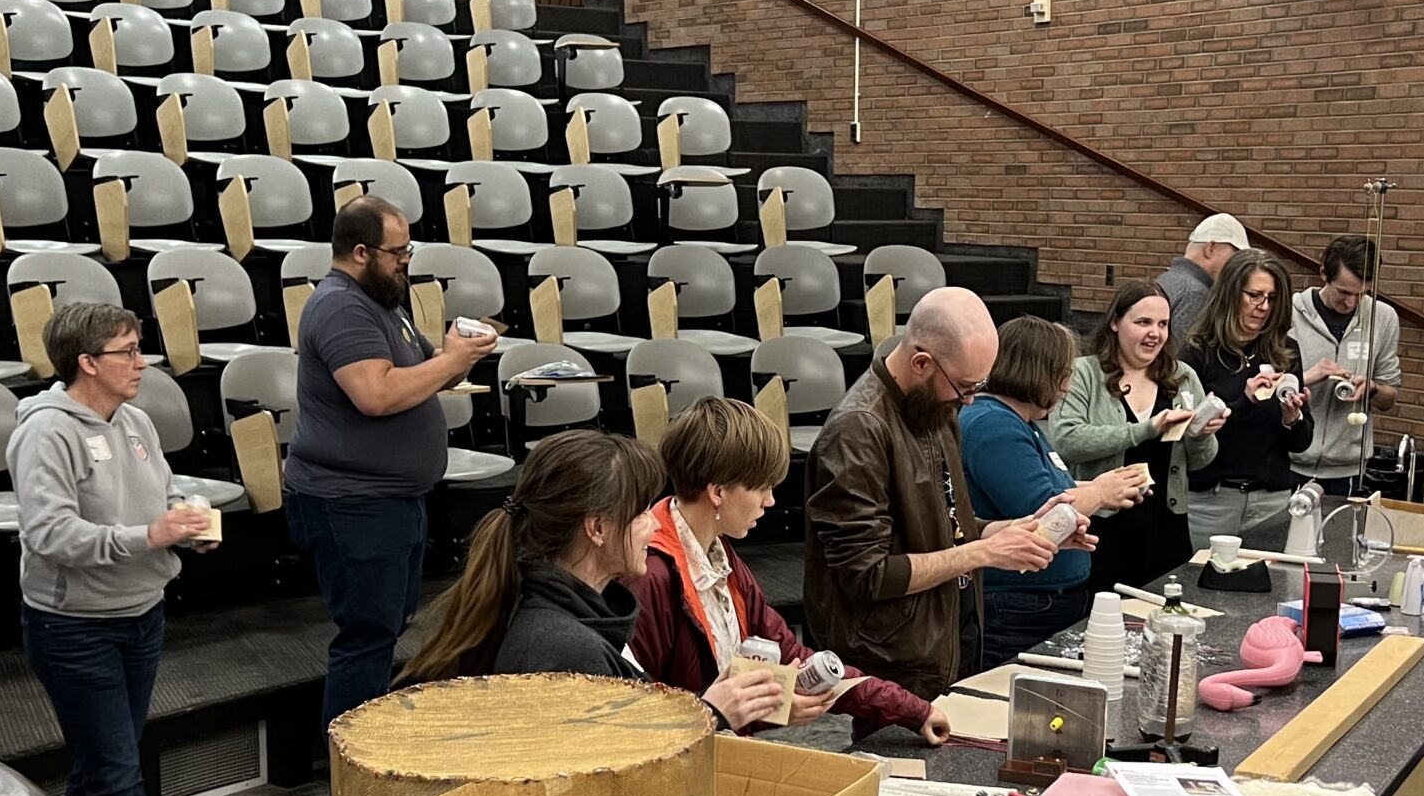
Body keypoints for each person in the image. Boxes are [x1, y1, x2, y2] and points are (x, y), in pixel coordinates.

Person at [9, 300, 216, 796]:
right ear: (87, 362)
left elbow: (159, 499)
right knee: (116, 773)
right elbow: (48, 534)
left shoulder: (136, 422)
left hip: (140, 614)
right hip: (74, 628)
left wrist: (185, 526)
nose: (142, 362)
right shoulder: (46, 432)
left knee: (102, 769)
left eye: (139, 347)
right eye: (127, 351)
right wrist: (146, 536)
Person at [395, 428, 787, 730]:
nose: (654, 524)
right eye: (639, 514)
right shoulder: (562, 647)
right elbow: (616, 775)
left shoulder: (565, 622)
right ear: (598, 528)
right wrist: (711, 712)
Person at [285, 193, 496, 725]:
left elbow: (428, 372)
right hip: (353, 502)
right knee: (367, 636)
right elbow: (375, 395)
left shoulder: (383, 299)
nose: (407, 261)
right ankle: (352, 776)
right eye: (397, 252)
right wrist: (449, 360)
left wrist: (459, 352)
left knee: (386, 628)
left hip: (393, 499)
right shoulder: (339, 306)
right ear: (361, 252)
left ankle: (368, 752)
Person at [631, 398, 950, 744]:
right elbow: (645, 723)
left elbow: (788, 654)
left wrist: (914, 711)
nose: (770, 501)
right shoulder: (650, 577)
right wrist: (771, 708)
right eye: (761, 487)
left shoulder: (720, 556)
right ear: (718, 492)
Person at [804, 287, 1064, 698]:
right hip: (888, 658)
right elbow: (866, 575)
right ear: (922, 362)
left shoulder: (934, 403)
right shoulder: (857, 431)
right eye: (965, 386)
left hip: (944, 635)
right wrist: (981, 554)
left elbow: (948, 525)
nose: (971, 398)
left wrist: (1017, 530)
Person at [960, 315, 1138, 666]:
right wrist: (1100, 493)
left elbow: (1053, 486)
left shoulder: (1016, 420)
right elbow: (1047, 513)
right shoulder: (992, 426)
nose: (1066, 387)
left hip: (1037, 603)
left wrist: (1110, 486)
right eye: (1063, 375)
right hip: (1016, 607)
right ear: (1037, 371)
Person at [1051, 279, 1225, 592]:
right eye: (1143, 322)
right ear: (1116, 323)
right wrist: (1147, 428)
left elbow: (1200, 462)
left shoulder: (1183, 377)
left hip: (1167, 528)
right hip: (1102, 529)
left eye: (1163, 324)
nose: (1155, 333)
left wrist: (1201, 433)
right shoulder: (1083, 373)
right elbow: (1067, 440)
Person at [1176, 249, 1314, 549]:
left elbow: (1302, 443)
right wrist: (1244, 401)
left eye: (1273, 298)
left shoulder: (1285, 351)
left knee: (1265, 591)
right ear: (1230, 294)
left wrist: (1293, 419)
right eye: (1254, 295)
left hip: (1271, 500)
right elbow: (1190, 435)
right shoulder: (1198, 351)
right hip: (1212, 500)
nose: (1264, 307)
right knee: (1205, 589)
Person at [1288, 235, 1400, 497]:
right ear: (1323, 274)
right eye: (1344, 292)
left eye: (1362, 293)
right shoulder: (1290, 312)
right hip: (1289, 461)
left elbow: (1389, 397)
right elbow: (1266, 388)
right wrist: (1305, 378)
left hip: (1347, 470)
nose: (1351, 302)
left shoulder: (1383, 318)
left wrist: (1371, 388)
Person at [1158, 211, 1249, 338]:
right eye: (1235, 256)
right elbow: (1182, 355)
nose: (1237, 265)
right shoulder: (1195, 294)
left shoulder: (1166, 278)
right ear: (1210, 248)